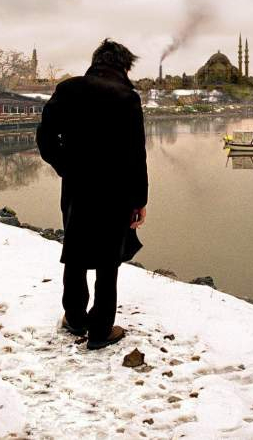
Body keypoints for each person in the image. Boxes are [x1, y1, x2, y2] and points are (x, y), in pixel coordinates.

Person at [36, 39, 148, 350]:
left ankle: (74, 317)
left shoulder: (69, 89)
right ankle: (100, 331)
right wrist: (140, 201)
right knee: (107, 260)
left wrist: (65, 165)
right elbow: (137, 154)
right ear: (124, 66)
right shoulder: (127, 98)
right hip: (117, 191)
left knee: (76, 250)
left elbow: (45, 137)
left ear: (96, 61)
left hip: (77, 186)